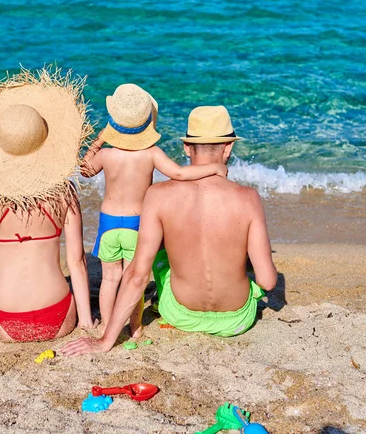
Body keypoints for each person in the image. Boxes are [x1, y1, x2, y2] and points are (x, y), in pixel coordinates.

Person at [62, 105, 278, 356]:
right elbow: (268, 281)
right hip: (236, 321)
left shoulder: (158, 195)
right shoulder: (248, 198)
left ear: (187, 147)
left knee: (157, 252)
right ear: (228, 147)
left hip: (179, 314)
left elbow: (137, 275)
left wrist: (104, 341)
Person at [0, 67, 95, 342]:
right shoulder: (63, 192)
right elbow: (77, 260)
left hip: (4, 323)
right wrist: (85, 321)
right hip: (59, 317)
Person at [81, 85, 227, 337]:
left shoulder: (106, 155)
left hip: (108, 225)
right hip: (136, 224)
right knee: (133, 278)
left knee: (110, 279)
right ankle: (135, 328)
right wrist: (213, 168)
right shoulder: (151, 153)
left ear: (113, 123)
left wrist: (100, 139)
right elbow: (180, 174)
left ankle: (107, 325)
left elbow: (84, 169)